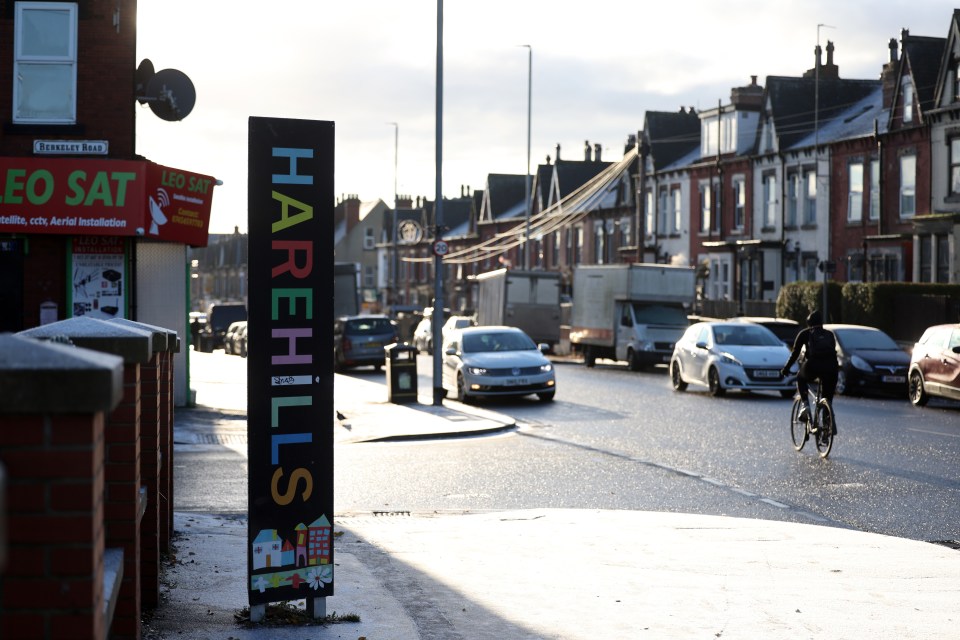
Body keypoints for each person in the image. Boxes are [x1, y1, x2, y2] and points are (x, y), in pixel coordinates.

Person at [781, 310, 838, 434]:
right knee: (827, 399)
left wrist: (786, 369)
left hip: (814, 365)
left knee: (800, 378)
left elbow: (795, 353)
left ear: (809, 323)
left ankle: (805, 405)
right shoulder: (829, 334)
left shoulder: (805, 333)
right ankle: (827, 428)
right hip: (832, 368)